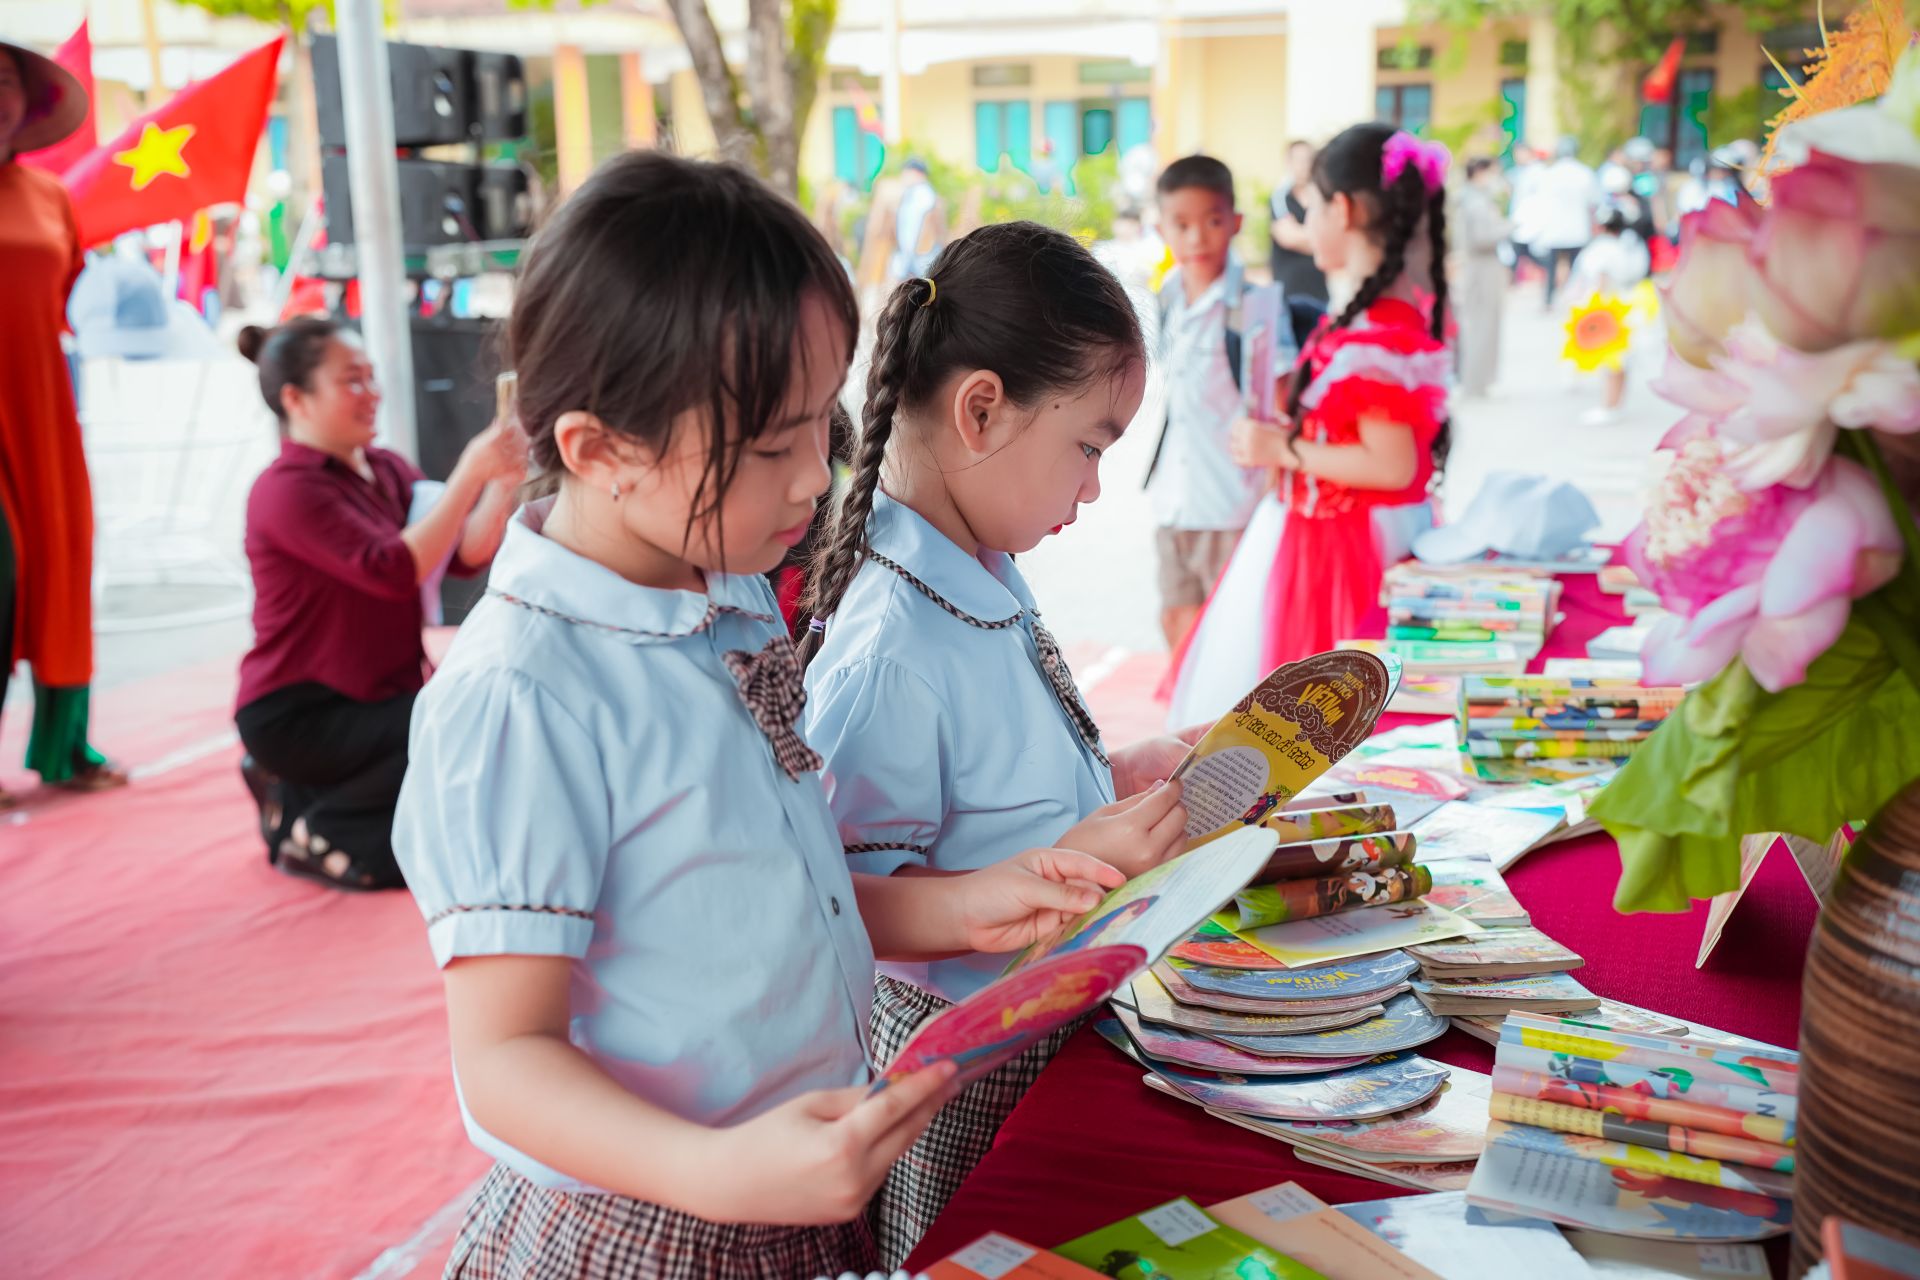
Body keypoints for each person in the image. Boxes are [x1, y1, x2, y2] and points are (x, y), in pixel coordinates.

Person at [390, 151, 1127, 1279]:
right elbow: (504, 1054)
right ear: (601, 449)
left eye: (820, 428)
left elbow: (771, 887)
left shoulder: (720, 595)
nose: (813, 481)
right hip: (657, 1221)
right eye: (773, 446)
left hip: (793, 1185)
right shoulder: (523, 694)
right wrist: (714, 1171)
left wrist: (968, 903)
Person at [797, 222, 1196, 1267]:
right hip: (966, 1067)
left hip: (1040, 1017)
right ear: (981, 409)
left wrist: (1115, 778)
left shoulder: (974, 568)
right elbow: (835, 897)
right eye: (1091, 446)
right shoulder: (892, 644)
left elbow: (988, 793)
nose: (1095, 487)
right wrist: (1060, 868)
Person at [1163, 123, 1452, 727]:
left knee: (1319, 721)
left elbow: (1392, 463)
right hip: (1330, 537)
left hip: (1341, 552)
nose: (1308, 217)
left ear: (1342, 208)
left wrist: (1283, 448)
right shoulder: (1374, 321)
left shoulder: (1375, 332)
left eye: (1314, 204)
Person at [233, 317, 523, 889]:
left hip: (381, 697)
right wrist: (471, 472)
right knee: (448, 755)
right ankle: (317, 823)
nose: (373, 394)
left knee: (451, 816)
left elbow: (461, 555)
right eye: (352, 381)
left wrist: (505, 478)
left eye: (371, 377)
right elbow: (393, 571)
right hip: (302, 711)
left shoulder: (386, 468)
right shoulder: (286, 489)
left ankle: (307, 804)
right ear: (296, 398)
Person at [0, 40, 126, 808]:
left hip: (39, 406)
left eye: (6, 80)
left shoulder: (50, 198)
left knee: (60, 565)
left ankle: (62, 747)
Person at [1144, 155, 1267, 653]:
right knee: (1177, 623)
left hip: (1230, 508)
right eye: (1182, 224)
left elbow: (1272, 414)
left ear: (1235, 222)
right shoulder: (1166, 297)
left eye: (1213, 222)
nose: (1197, 238)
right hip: (1173, 503)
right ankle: (1189, 728)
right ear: (1162, 228)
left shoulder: (1254, 309)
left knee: (1233, 640)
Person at [1563, 202, 1651, 426]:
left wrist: (1594, 309)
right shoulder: (1630, 245)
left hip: (1607, 307)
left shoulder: (1600, 249)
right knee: (1621, 359)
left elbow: (1600, 279)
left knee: (1612, 359)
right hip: (1628, 303)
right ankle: (1616, 404)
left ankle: (1609, 405)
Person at [1454, 157, 1512, 398]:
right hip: (1480, 266)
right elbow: (1481, 238)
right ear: (1479, 172)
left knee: (1483, 323)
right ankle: (1474, 382)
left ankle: (1478, 381)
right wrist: (1509, 227)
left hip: (1482, 265)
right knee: (1481, 324)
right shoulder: (1474, 201)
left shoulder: (1474, 198)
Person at [1532, 136, 1601, 307]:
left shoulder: (1548, 174)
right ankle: (1573, 299)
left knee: (1551, 267)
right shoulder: (1585, 173)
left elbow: (1539, 201)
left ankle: (1548, 300)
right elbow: (1595, 201)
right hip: (1577, 228)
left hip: (1554, 228)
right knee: (1576, 268)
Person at [1269, 139, 1330, 304]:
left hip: (1322, 292)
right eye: (1299, 160)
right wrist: (1320, 238)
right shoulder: (1280, 198)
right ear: (1288, 163)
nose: (1304, 165)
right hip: (1289, 291)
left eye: (1309, 159)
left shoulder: (1324, 198)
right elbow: (1288, 237)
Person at [889, 158, 945, 283]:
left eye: (906, 172)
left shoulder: (922, 194)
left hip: (921, 257)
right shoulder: (913, 194)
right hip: (915, 258)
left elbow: (914, 231)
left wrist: (905, 262)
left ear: (917, 173)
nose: (903, 176)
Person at [1505, 143, 1545, 284]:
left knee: (1533, 253)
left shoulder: (1538, 171)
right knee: (1516, 252)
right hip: (1519, 220)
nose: (1517, 157)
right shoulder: (1517, 172)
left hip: (1531, 220)